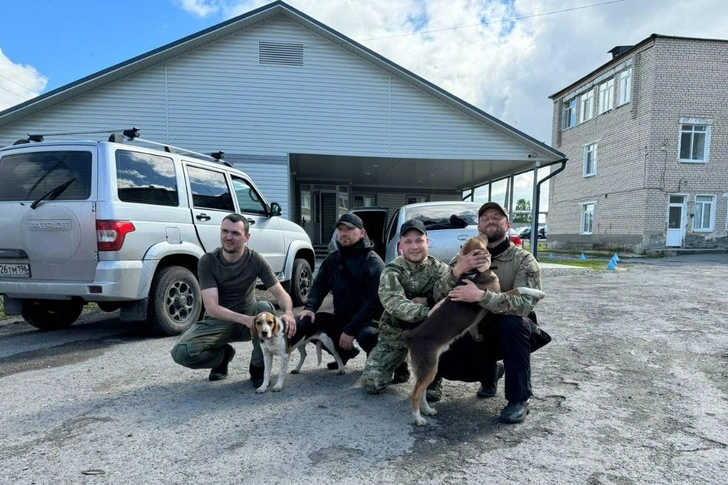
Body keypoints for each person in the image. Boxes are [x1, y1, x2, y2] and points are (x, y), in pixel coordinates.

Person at [433, 201, 550, 423]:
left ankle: (519, 399)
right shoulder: (464, 257)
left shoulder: (523, 260)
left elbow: (526, 303)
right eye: (485, 217)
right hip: (472, 330)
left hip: (505, 333)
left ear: (508, 225)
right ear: (479, 226)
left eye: (497, 216)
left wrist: (482, 297)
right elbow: (438, 295)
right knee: (449, 365)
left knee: (514, 324)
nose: (491, 220)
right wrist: (458, 270)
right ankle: (491, 373)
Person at [170, 213, 296, 388]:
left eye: (236, 233)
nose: (228, 237)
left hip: (250, 319)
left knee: (264, 307)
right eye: (225, 231)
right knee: (181, 352)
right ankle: (222, 357)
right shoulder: (208, 261)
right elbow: (212, 307)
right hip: (219, 322)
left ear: (247, 237)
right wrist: (245, 320)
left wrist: (289, 313)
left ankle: (258, 368)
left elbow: (281, 294)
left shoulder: (255, 259)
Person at [360, 219, 451, 396]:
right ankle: (400, 362)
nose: (414, 246)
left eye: (419, 240)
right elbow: (394, 302)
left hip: (429, 336)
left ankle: (434, 379)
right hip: (396, 333)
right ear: (401, 245)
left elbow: (450, 299)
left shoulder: (441, 270)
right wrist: (428, 310)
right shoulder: (392, 270)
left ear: (427, 242)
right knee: (371, 384)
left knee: (445, 343)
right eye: (408, 241)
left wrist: (429, 300)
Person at [292, 213, 385, 368]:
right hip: (342, 317)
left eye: (348, 229)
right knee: (307, 321)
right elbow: (319, 287)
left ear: (362, 233)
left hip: (367, 320)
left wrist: (350, 329)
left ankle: (375, 361)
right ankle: (344, 353)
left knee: (367, 335)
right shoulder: (333, 259)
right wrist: (310, 308)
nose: (343, 233)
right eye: (340, 229)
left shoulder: (373, 263)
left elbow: (374, 303)